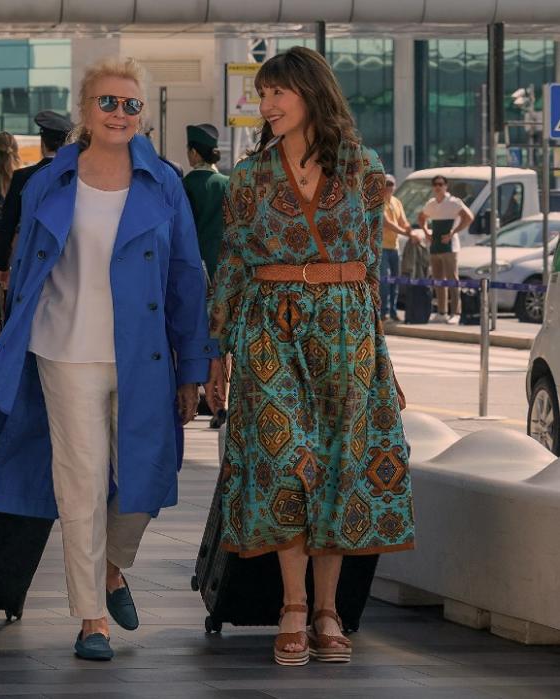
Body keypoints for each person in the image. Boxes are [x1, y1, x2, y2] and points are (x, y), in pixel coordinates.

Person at [0, 57, 216, 662]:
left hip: (145, 355)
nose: (119, 114)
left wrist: (195, 367)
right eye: (107, 102)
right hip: (64, 350)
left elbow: (189, 277)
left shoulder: (163, 183)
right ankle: (90, 618)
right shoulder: (50, 181)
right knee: (79, 486)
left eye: (131, 105)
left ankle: (113, 566)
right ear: (86, 111)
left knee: (147, 478)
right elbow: (25, 269)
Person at [204, 46, 414, 667]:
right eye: (262, 95)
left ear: (310, 93)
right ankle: (293, 603)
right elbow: (233, 261)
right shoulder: (249, 176)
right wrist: (217, 350)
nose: (265, 105)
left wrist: (382, 358)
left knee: (339, 465)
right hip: (271, 323)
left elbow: (372, 273)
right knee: (283, 459)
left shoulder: (364, 170)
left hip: (346, 328)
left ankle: (328, 608)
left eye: (277, 93)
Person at [0, 110, 72, 286]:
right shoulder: (77, 178)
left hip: (29, 260)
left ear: (42, 143)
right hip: (68, 264)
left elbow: (7, 225)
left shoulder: (23, 177)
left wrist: (2, 265)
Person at [418, 174, 473, 324]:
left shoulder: (454, 202)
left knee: (452, 280)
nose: (438, 187)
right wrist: (426, 232)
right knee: (437, 280)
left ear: (446, 186)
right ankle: (442, 312)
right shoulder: (431, 203)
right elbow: (421, 217)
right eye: (435, 184)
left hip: (450, 246)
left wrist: (453, 233)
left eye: (441, 184)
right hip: (435, 245)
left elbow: (469, 217)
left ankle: (456, 312)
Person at [181, 123, 229, 280]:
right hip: (225, 262)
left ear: (194, 153)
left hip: (193, 262)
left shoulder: (185, 184)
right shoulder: (228, 183)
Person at [381, 174, 410, 322]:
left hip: (394, 246)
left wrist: (411, 230)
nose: (389, 187)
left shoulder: (397, 202)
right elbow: (387, 223)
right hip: (381, 247)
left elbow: (403, 221)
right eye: (386, 184)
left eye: (391, 184)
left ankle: (393, 311)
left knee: (395, 280)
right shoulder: (378, 202)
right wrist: (406, 233)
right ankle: (384, 312)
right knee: (385, 281)